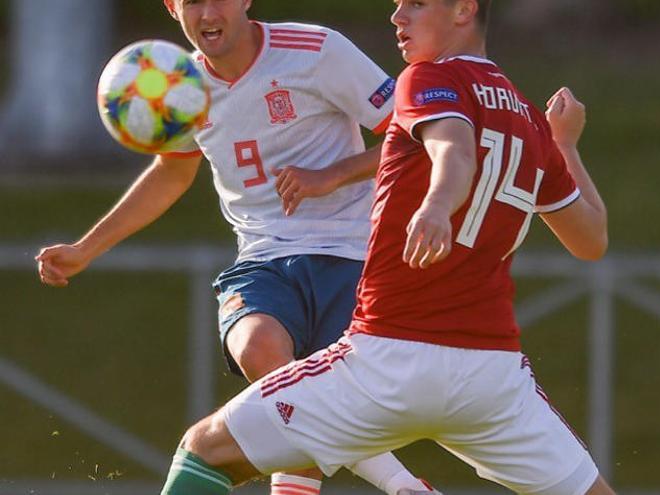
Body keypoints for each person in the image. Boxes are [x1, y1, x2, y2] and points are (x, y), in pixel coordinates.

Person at [156, 0, 614, 494]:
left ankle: (401, 485)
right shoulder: (526, 118)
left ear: (464, 9)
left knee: (204, 451)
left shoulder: (424, 79)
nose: (398, 17)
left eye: (415, 4)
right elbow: (591, 240)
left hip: (389, 360)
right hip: (494, 380)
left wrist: (437, 205)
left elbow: (453, 148)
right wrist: (564, 145)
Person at [34, 0, 435, 494]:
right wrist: (86, 248)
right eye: (192, 1)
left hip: (351, 256)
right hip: (261, 261)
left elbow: (415, 132)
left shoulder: (316, 50)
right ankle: (403, 486)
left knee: (298, 407)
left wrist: (332, 174)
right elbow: (172, 171)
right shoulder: (180, 86)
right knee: (261, 350)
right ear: (171, 7)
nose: (207, 12)